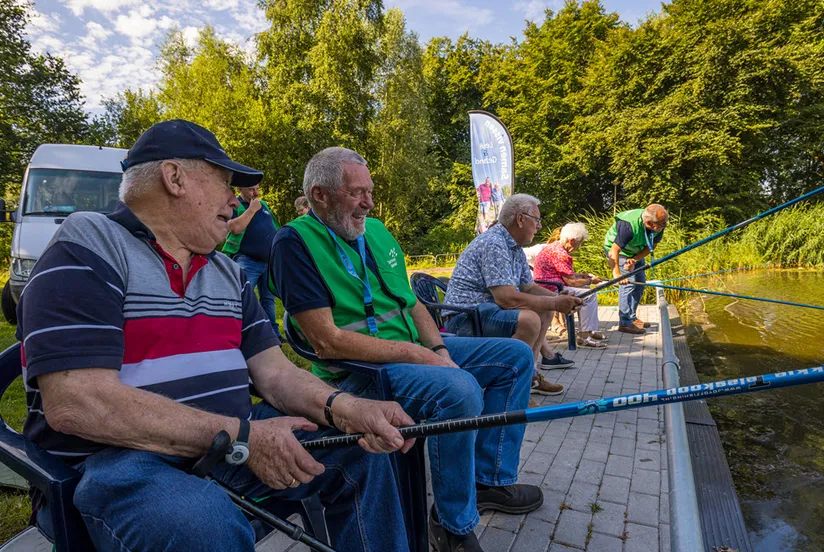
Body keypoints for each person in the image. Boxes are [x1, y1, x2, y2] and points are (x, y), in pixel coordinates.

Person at [16, 120, 416, 551]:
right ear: (174, 178)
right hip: (119, 461)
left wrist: (348, 409)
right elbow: (78, 404)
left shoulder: (227, 272)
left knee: (362, 452)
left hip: (229, 445)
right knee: (203, 524)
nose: (234, 200)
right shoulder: (89, 245)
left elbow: (276, 374)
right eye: (226, 182)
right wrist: (242, 438)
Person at [270, 147, 540, 552]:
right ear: (319, 195)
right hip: (359, 370)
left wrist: (437, 347)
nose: (369, 202)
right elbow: (325, 341)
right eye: (356, 193)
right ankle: (452, 524)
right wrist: (421, 356)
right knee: (460, 390)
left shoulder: (375, 231)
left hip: (411, 350)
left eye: (370, 191)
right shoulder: (292, 241)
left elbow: (412, 304)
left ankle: (489, 481)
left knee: (515, 359)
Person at [442, 194, 583, 404]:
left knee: (544, 310)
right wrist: (555, 302)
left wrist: (557, 298)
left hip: (484, 313)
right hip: (464, 318)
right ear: (520, 219)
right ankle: (509, 386)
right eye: (537, 220)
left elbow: (529, 287)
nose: (539, 226)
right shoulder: (494, 243)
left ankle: (529, 377)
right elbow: (506, 299)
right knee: (529, 320)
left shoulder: (513, 246)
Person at [534, 222, 607, 348]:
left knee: (586, 290)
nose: (579, 246)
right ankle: (584, 337)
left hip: (549, 284)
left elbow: (566, 274)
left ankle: (589, 330)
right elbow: (571, 282)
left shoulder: (555, 246)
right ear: (572, 240)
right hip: (550, 288)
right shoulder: (561, 254)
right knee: (588, 294)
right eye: (579, 242)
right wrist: (591, 280)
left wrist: (583, 275)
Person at [222, 182, 280, 334]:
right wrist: (252, 209)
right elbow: (233, 228)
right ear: (240, 189)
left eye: (257, 189)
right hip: (248, 261)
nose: (255, 193)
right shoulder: (235, 205)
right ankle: (237, 331)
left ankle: (273, 333)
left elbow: (275, 228)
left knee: (268, 300)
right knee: (241, 296)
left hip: (268, 262)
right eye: (250, 189)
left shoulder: (264, 206)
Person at [603, 204, 669, 334]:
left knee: (640, 282)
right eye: (662, 224)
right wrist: (616, 273)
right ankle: (625, 323)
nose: (665, 226)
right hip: (618, 252)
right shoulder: (628, 226)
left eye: (665, 222)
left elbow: (653, 245)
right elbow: (613, 251)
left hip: (635, 251)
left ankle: (632, 318)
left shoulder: (659, 225)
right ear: (649, 223)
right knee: (628, 283)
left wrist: (636, 259)